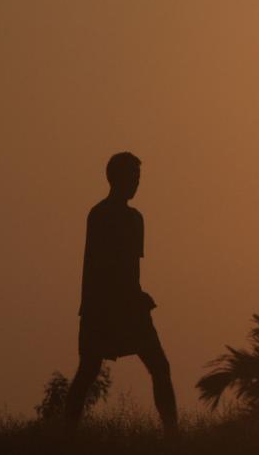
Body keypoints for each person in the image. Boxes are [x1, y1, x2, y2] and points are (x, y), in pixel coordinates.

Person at [64, 152, 178, 435]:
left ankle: (172, 433)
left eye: (138, 178)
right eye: (132, 177)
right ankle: (65, 434)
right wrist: (130, 296)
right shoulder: (101, 215)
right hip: (103, 307)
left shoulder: (134, 219)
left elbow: (132, 267)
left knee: (159, 367)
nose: (136, 183)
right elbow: (104, 266)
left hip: (127, 305)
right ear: (115, 178)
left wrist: (137, 296)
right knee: (89, 370)